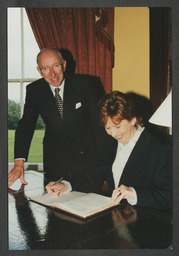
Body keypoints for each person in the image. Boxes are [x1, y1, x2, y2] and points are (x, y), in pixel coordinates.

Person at [46, 91, 172, 211]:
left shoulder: (160, 148)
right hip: (117, 217)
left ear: (133, 119)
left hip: (146, 221)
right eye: (108, 128)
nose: (113, 133)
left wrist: (134, 194)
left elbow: (169, 196)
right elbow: (95, 175)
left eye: (117, 126)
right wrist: (66, 185)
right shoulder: (111, 144)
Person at [8, 48, 106, 188]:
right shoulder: (35, 90)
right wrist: (18, 162)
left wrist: (106, 167)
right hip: (54, 164)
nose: (53, 74)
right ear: (39, 70)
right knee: (53, 205)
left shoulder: (87, 85)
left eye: (56, 66)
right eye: (46, 68)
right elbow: (26, 125)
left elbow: (100, 127)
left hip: (87, 163)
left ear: (64, 65)